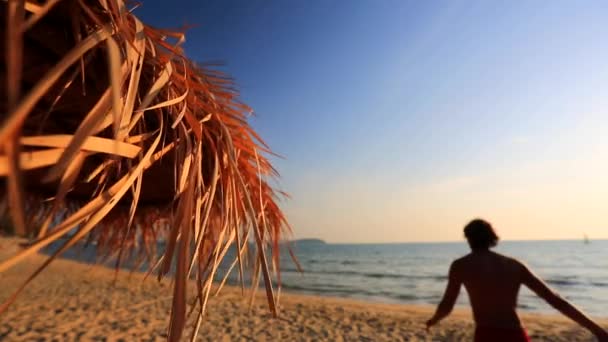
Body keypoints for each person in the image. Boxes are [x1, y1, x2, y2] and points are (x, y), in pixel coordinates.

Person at [426, 219, 608, 342]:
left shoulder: (461, 266)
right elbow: (555, 300)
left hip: (486, 334)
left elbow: (447, 305)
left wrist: (434, 320)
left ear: (468, 239)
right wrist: (597, 330)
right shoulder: (513, 265)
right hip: (515, 334)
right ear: (492, 238)